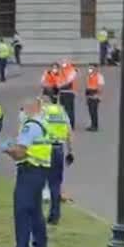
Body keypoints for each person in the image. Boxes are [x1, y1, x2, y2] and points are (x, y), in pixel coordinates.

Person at [1, 96, 52, 247]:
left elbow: (21, 152)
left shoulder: (30, 126)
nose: (22, 113)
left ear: (31, 108)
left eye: (23, 109)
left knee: (22, 210)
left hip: (29, 170)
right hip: (40, 170)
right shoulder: (44, 124)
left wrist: (8, 150)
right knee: (35, 211)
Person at [40, 97, 74, 226]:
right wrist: (70, 151)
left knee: (38, 182)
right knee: (55, 184)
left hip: (44, 149)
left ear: (44, 100)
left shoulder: (42, 111)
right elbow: (69, 131)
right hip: (58, 150)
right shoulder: (61, 112)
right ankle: (55, 215)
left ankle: (36, 214)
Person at [57, 58, 79, 130]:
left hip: (69, 92)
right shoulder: (61, 71)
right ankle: (64, 124)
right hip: (62, 92)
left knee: (69, 109)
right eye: (62, 63)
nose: (63, 64)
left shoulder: (72, 70)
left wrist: (60, 85)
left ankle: (70, 125)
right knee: (63, 109)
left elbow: (69, 80)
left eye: (64, 63)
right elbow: (58, 80)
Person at [84, 65, 105, 132]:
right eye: (89, 68)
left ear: (95, 68)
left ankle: (95, 126)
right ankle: (92, 125)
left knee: (94, 112)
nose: (90, 69)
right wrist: (86, 98)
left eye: (92, 68)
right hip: (89, 96)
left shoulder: (99, 76)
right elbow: (87, 87)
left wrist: (97, 95)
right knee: (90, 112)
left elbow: (100, 87)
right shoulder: (89, 76)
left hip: (95, 96)